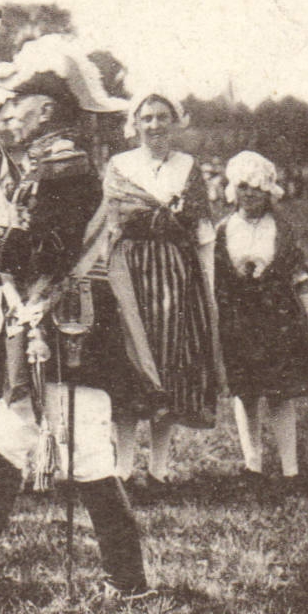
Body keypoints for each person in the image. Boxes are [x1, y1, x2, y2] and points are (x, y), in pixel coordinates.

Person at [0, 42, 156, 600]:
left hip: (68, 328)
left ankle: (129, 581)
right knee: (9, 435)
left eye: (21, 101)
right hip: (53, 325)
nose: (9, 110)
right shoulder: (49, 159)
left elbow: (43, 250)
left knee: (85, 452)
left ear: (48, 109)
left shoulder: (60, 162)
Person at [85, 88, 221, 482]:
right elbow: (108, 228)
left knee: (171, 362)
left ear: (175, 122)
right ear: (135, 124)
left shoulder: (188, 166)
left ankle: (159, 468)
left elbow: (203, 231)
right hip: (129, 272)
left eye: (162, 117)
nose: (155, 125)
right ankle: (123, 467)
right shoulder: (120, 165)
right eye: (147, 118)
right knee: (129, 364)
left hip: (176, 274)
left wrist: (207, 284)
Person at [213, 151, 308, 481]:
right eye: (244, 186)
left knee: (280, 393)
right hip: (238, 320)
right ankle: (253, 464)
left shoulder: (281, 229)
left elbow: (299, 276)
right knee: (245, 393)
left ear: (269, 192)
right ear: (233, 190)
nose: (250, 194)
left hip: (277, 319)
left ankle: (290, 468)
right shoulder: (222, 230)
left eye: (258, 188)